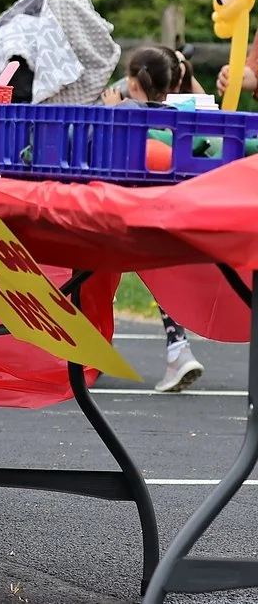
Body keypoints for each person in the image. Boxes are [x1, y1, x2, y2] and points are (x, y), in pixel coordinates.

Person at [103, 44, 207, 392]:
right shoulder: (184, 114)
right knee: (161, 280)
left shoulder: (127, 110)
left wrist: (111, 111)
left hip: (121, 215)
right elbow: (207, 107)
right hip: (168, 214)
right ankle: (178, 349)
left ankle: (91, 352)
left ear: (133, 82)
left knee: (91, 279)